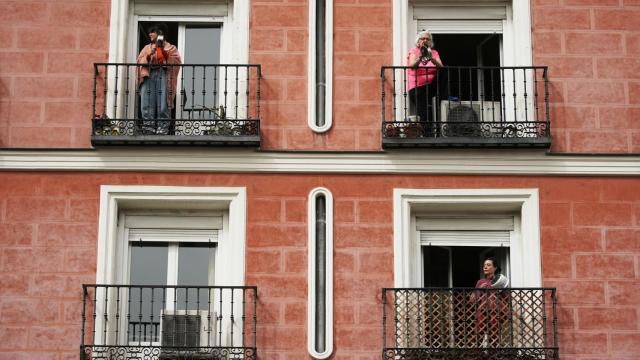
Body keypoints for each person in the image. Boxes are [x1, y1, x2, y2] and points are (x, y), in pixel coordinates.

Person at [137, 23, 182, 135]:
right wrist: (148, 55)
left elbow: (176, 61)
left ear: (159, 33)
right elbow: (139, 61)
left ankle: (163, 127)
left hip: (164, 74)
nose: (149, 34)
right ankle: (149, 127)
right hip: (149, 74)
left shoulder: (171, 47)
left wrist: (164, 53)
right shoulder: (147, 47)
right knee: (146, 101)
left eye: (152, 32)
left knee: (163, 102)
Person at [406, 30, 444, 128]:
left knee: (443, 73)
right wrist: (420, 57)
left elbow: (441, 66)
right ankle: (427, 132)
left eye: (428, 39)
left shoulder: (434, 52)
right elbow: (412, 66)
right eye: (423, 38)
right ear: (418, 41)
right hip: (417, 86)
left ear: (430, 42)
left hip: (431, 85)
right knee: (424, 110)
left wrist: (431, 58)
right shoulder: (414, 51)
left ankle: (428, 131)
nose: (425, 40)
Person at [474, 257, 510, 348]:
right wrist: (479, 289)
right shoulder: (480, 282)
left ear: (495, 268)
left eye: (488, 265)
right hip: (482, 311)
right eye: (484, 265)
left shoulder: (500, 281)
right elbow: (472, 300)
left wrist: (500, 289)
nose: (485, 267)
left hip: (496, 312)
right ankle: (479, 354)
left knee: (495, 336)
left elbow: (507, 297)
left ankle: (494, 355)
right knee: (479, 334)